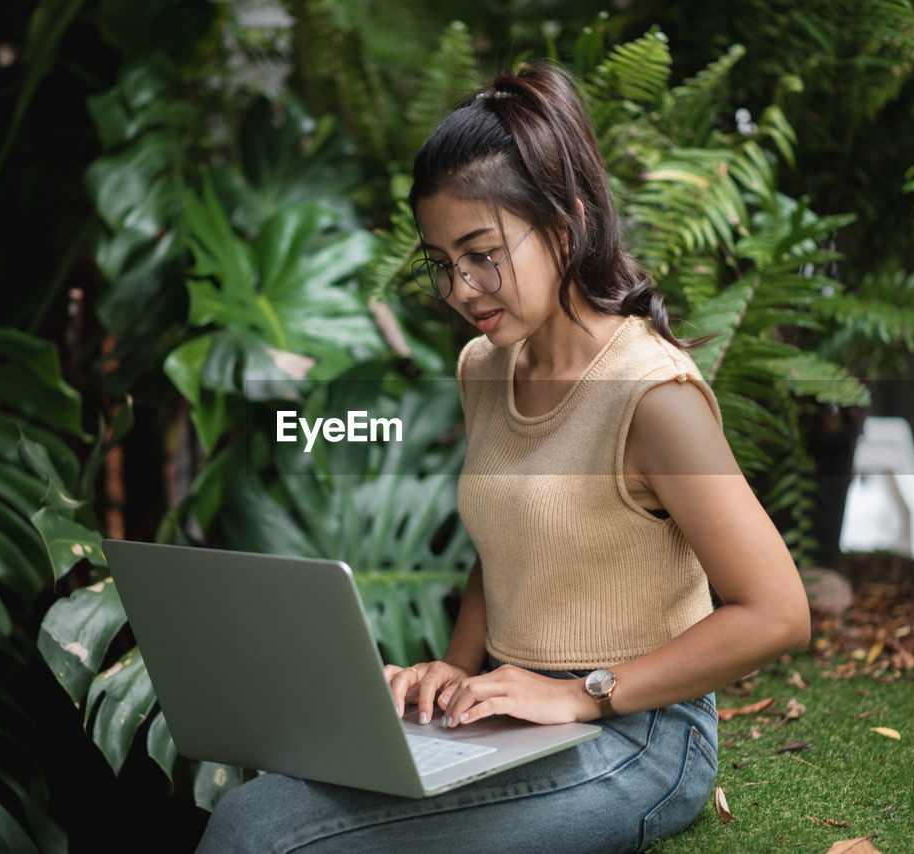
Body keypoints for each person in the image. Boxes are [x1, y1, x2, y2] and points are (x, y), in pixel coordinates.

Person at [197, 62, 810, 853]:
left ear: (565, 222)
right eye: (441, 263)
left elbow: (777, 613)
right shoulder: (485, 369)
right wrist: (456, 670)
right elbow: (509, 540)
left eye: (482, 253)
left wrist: (589, 695)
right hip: (508, 712)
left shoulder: (652, 397)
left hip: (640, 740)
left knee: (263, 834)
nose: (460, 288)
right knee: (261, 806)